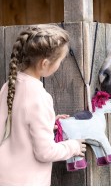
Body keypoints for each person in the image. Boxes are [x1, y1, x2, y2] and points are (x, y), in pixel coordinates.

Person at [0, 24, 86, 186]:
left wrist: (48, 123)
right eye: (60, 61)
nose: (59, 65)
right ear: (45, 64)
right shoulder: (40, 97)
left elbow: (15, 125)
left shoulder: (9, 85)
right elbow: (45, 153)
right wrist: (73, 146)